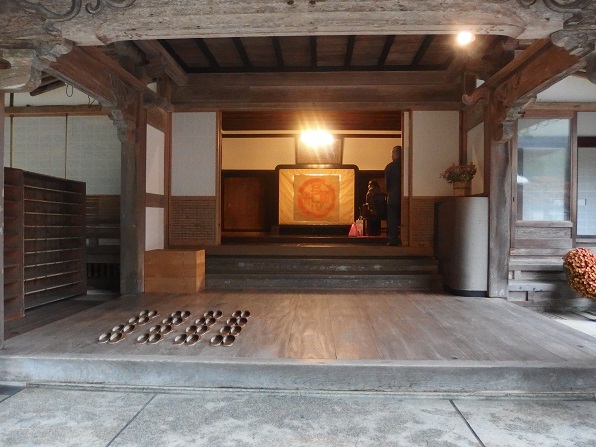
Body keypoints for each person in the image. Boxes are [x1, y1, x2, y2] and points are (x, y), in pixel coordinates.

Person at [384, 145, 402, 246]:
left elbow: (387, 184)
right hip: (404, 197)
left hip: (393, 197)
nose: (391, 155)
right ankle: (405, 238)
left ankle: (393, 239)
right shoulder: (405, 166)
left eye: (392, 153)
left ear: (395, 154)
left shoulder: (390, 167)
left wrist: (389, 192)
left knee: (392, 220)